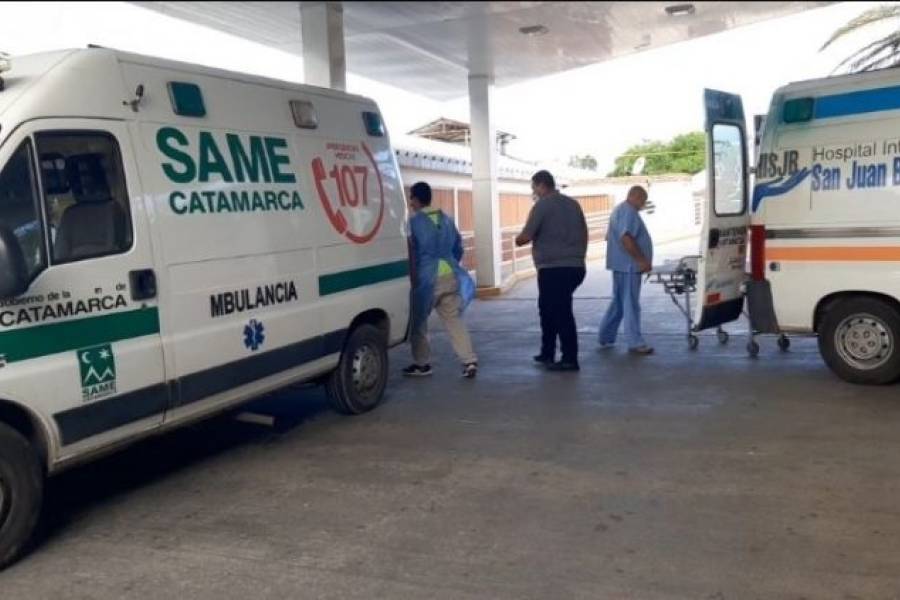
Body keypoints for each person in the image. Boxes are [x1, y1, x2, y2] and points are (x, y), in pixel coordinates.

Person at [404, 181, 479, 379]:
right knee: (454, 319)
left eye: (411, 198)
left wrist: (413, 277)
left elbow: (412, 254)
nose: (410, 202)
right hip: (450, 273)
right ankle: (469, 361)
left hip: (427, 278)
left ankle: (422, 364)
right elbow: (458, 247)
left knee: (419, 322)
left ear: (417, 199)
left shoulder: (414, 223)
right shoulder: (447, 219)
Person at [515, 170, 588, 372]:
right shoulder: (573, 204)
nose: (533, 192)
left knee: (560, 311)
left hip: (553, 269)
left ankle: (569, 358)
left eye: (533, 188)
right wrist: (579, 256)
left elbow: (526, 236)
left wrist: (518, 239)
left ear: (540, 185)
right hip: (575, 267)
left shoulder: (542, 205)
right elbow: (585, 232)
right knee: (548, 308)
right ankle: (547, 351)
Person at [598, 185, 654, 355]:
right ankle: (635, 342)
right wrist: (641, 260)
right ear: (635, 197)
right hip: (629, 266)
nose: (642, 206)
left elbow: (609, 237)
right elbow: (626, 238)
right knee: (630, 304)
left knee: (619, 303)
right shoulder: (629, 212)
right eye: (642, 202)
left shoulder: (618, 210)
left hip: (620, 265)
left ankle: (605, 336)